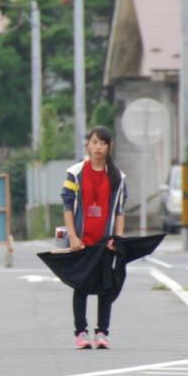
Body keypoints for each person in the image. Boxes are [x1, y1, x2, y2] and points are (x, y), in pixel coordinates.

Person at [61, 126, 127, 349]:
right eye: (94, 142)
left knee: (105, 288)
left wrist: (116, 239)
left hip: (105, 242)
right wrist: (72, 236)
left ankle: (102, 333)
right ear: (87, 145)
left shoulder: (118, 176)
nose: (98, 147)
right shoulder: (75, 173)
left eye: (103, 143)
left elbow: (119, 210)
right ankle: (81, 333)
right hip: (82, 241)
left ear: (110, 147)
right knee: (80, 286)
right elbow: (68, 206)